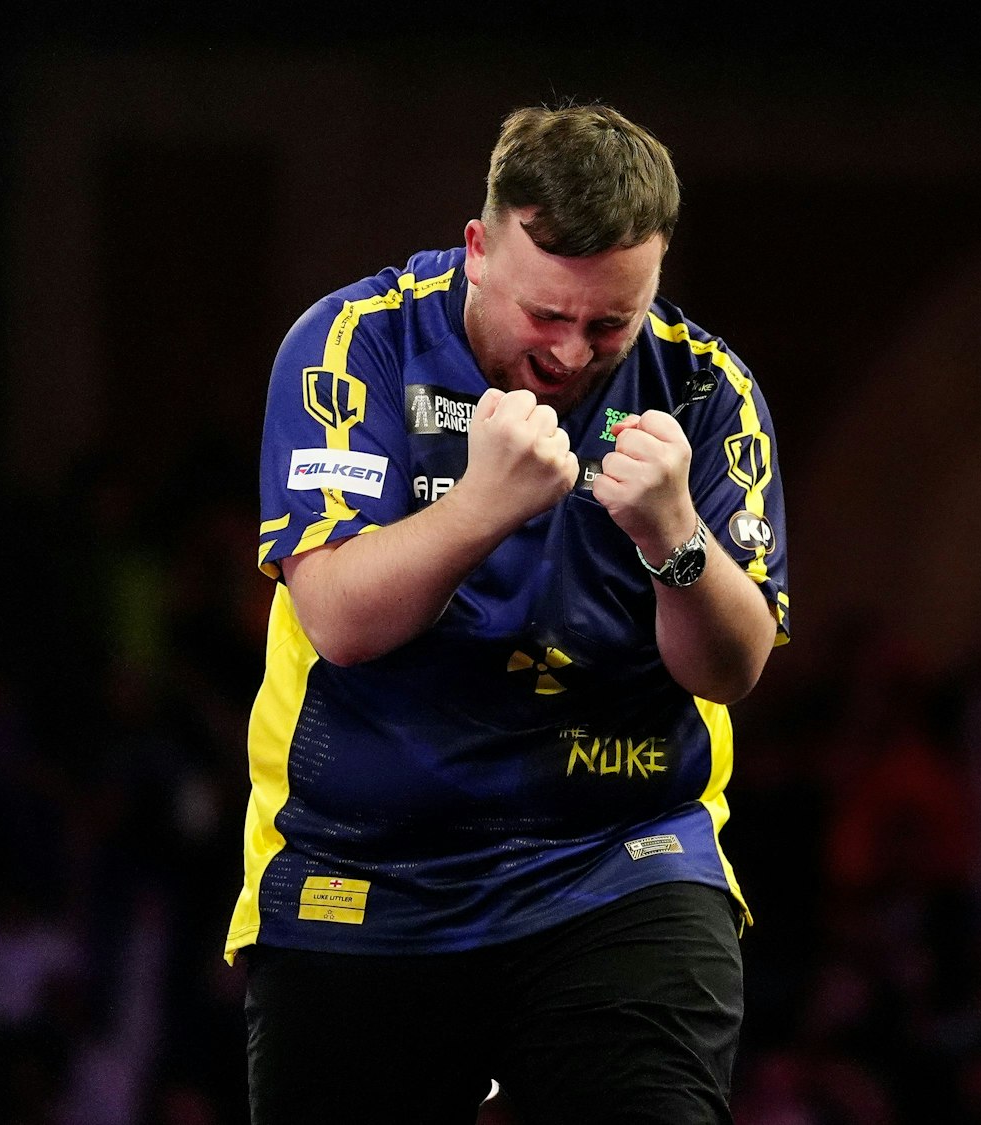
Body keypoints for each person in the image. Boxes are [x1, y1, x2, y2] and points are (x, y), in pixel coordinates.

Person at [226, 103, 789, 1124]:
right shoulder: (355, 344)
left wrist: (675, 538)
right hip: (360, 864)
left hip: (620, 857)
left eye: (609, 323)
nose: (573, 354)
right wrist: (483, 507)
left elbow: (732, 667)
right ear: (479, 249)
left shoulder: (707, 388)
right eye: (546, 316)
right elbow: (342, 623)